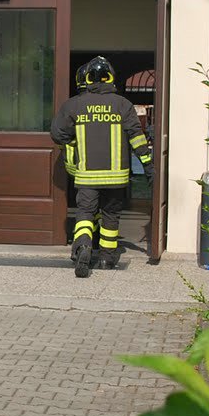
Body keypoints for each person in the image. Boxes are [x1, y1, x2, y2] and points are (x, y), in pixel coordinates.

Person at [51, 55, 152, 278]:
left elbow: (58, 134)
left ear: (87, 79)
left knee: (85, 213)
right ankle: (107, 258)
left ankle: (83, 247)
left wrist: (76, 142)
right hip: (116, 177)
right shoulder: (123, 104)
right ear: (110, 79)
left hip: (87, 176)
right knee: (110, 216)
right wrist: (148, 166)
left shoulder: (74, 105)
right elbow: (137, 138)